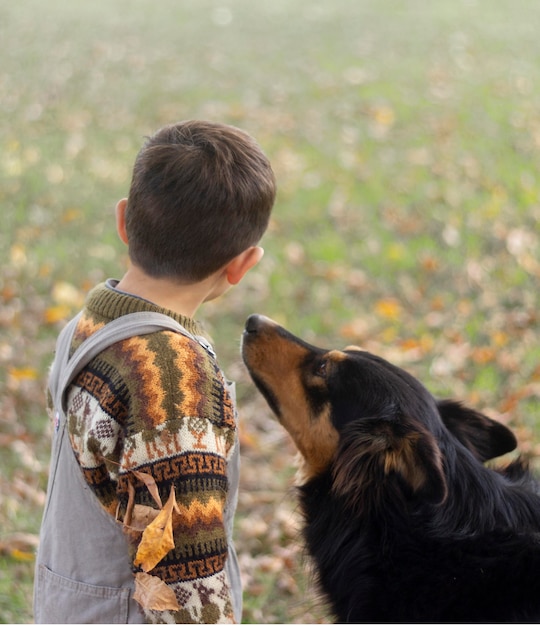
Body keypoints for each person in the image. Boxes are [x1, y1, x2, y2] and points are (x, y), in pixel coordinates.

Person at [33, 120, 277, 624]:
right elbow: (188, 579)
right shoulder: (174, 381)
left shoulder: (90, 324)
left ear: (124, 222)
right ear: (241, 265)